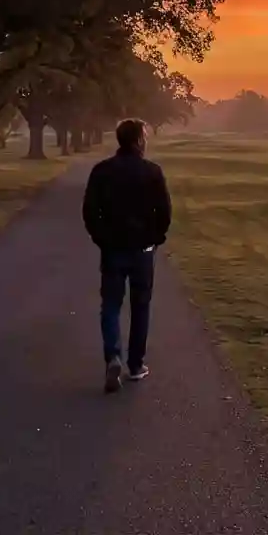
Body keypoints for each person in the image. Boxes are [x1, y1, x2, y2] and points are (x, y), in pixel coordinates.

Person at [81, 118, 172, 393]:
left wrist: (101, 239)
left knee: (110, 305)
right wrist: (156, 239)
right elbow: (164, 213)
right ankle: (135, 365)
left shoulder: (102, 171)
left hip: (112, 249)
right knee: (140, 306)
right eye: (145, 136)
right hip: (142, 251)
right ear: (139, 140)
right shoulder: (152, 172)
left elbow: (89, 212)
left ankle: (113, 357)